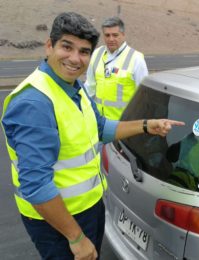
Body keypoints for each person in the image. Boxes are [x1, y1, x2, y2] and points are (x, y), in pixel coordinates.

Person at [1, 12, 183, 260]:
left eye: (84, 51)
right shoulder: (35, 103)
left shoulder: (74, 86)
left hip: (89, 208)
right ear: (49, 45)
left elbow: (100, 128)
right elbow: (36, 186)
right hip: (58, 223)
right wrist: (76, 238)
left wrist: (146, 125)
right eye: (67, 47)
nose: (75, 59)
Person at [84, 16, 149, 120]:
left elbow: (144, 97)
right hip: (98, 121)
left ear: (123, 35)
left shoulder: (136, 59)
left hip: (123, 124)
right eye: (107, 35)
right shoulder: (97, 54)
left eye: (115, 35)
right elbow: (89, 87)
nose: (111, 39)